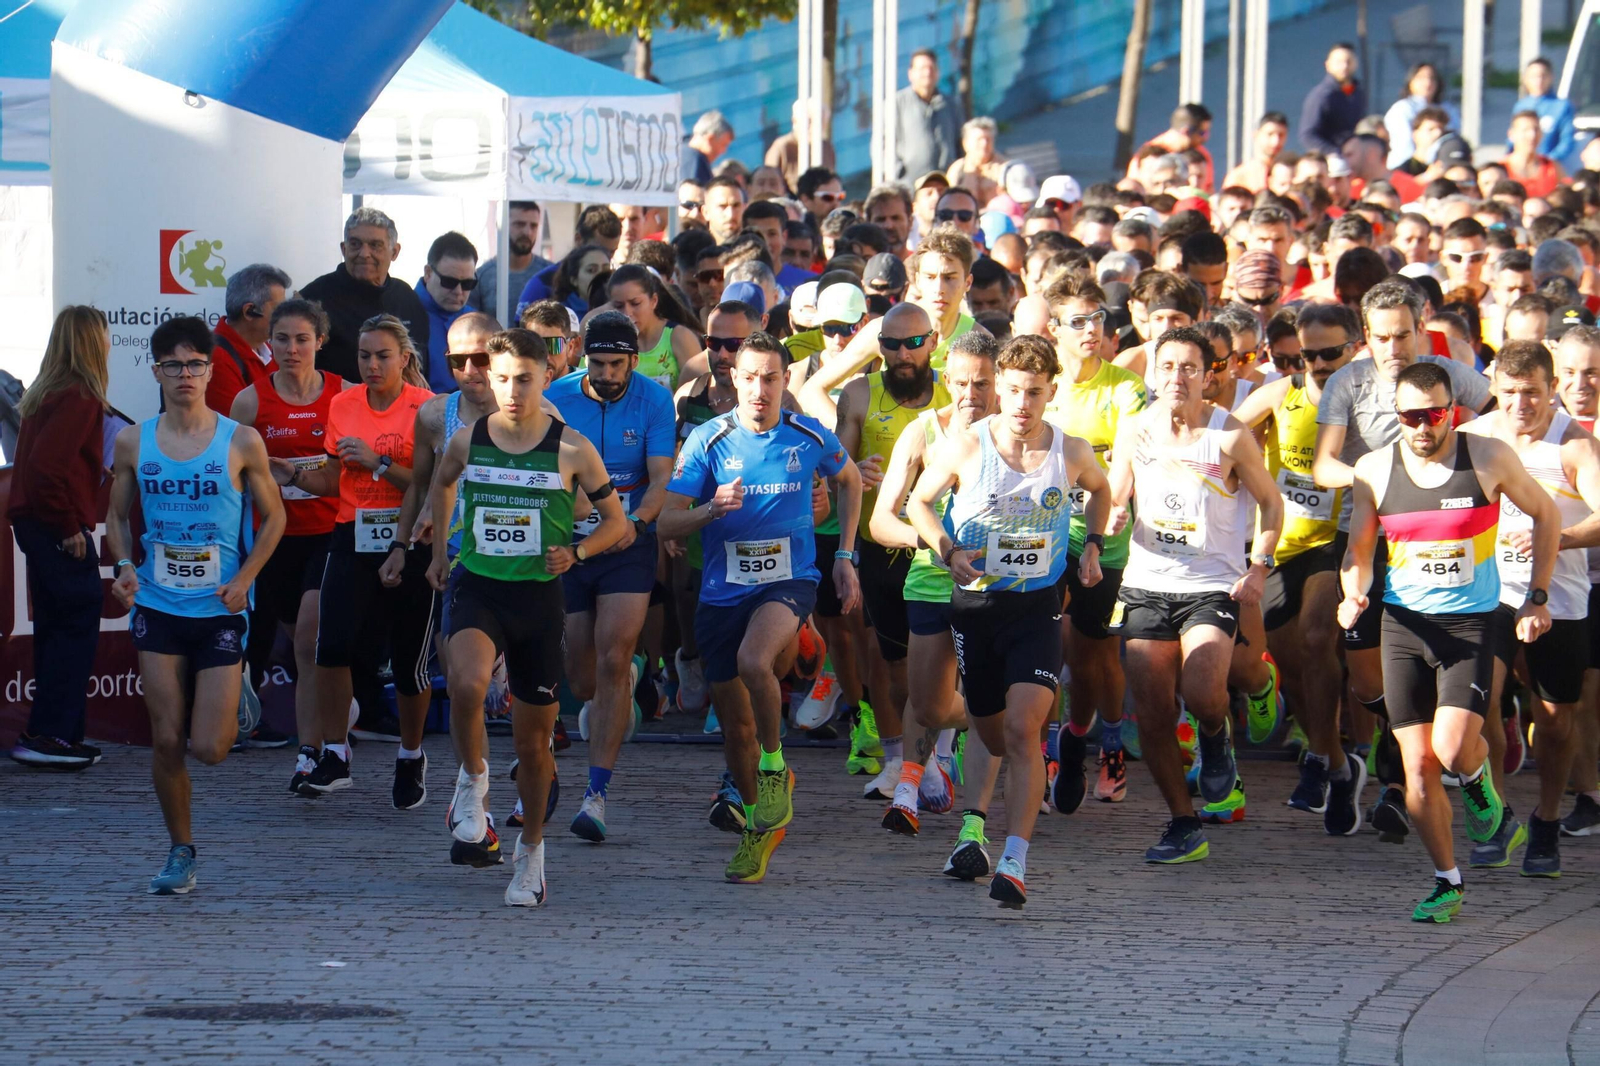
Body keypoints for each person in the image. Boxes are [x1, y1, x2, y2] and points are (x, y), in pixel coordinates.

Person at [1338, 360, 1558, 922]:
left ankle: (1480, 779)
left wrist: (1537, 595)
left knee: (1454, 749)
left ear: (1452, 411)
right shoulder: (1373, 470)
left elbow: (1546, 512)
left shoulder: (1486, 457)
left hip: (1470, 625)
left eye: (1434, 413)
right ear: (1397, 415)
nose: (1422, 426)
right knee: (1416, 767)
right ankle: (1447, 880)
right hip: (1403, 626)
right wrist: (1354, 593)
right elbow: (1359, 552)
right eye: (1411, 415)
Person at [907, 334, 1112, 907]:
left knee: (1023, 728)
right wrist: (949, 552)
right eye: (1014, 391)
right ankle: (972, 827)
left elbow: (1102, 490)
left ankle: (1015, 860)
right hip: (977, 610)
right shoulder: (968, 445)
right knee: (989, 729)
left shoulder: (1069, 450)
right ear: (1001, 386)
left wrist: (1091, 544)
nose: (1022, 405)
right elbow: (918, 503)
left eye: (1035, 393)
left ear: (1052, 392)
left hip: (1038, 606)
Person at [430, 328, 626, 906]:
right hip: (478, 584)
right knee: (465, 683)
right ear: (487, 380)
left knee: (534, 744)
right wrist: (441, 551)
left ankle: (531, 854)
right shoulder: (469, 439)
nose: (512, 391)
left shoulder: (572, 449)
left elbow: (619, 523)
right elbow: (441, 487)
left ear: (546, 377)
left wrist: (579, 552)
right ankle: (473, 783)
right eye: (502, 379)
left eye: (524, 379)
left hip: (538, 600)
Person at [660, 331, 864, 883]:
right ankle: (757, 827)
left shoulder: (807, 435)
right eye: (749, 377)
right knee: (735, 731)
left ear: (785, 381)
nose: (759, 389)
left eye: (771, 378)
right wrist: (709, 510)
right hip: (722, 590)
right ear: (733, 378)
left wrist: (844, 554)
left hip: (790, 580)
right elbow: (665, 522)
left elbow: (849, 481)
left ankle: (776, 767)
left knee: (755, 662)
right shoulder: (708, 439)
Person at [105, 316, 285, 893]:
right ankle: (180, 851)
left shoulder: (241, 440)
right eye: (173, 365)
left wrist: (246, 579)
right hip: (157, 605)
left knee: (209, 748)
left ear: (210, 370)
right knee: (164, 738)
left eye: (195, 364)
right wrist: (125, 566)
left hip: (219, 610)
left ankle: (240, 690)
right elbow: (114, 516)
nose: (185, 375)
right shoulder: (135, 440)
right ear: (156, 370)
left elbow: (275, 516)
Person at [1314, 279, 1494, 840]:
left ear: (1423, 329)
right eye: (1383, 338)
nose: (1395, 348)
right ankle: (1393, 751)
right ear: (1366, 337)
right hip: (1370, 536)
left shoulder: (1453, 376)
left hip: (1444, 536)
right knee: (1366, 674)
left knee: (1431, 681)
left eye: (1405, 335)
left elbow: (1498, 425)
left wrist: (1462, 479)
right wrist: (1386, 482)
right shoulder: (1348, 382)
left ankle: (1412, 777)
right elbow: (1324, 467)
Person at [1108, 326, 1284, 865]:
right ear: (1152, 373)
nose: (1176, 378)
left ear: (1209, 377)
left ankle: (1214, 731)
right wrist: (1106, 525)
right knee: (1155, 712)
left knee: (1204, 688)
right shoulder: (1135, 429)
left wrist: (1260, 566)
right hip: (1146, 581)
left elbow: (1273, 507)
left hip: (1212, 582)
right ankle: (1184, 823)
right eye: (1166, 367)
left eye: (1189, 368)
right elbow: (1116, 494)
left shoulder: (1229, 436)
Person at [800, 301, 953, 798]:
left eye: (914, 343)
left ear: (932, 342)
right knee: (886, 662)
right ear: (878, 346)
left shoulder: (957, 390)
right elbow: (838, 469)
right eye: (891, 344)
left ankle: (940, 754)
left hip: (943, 547)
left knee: (943, 659)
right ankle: (897, 759)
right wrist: (854, 470)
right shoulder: (861, 392)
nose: (903, 354)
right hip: (881, 542)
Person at [1460, 341, 1600, 876]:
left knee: (1557, 723)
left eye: (1534, 394)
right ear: (1496, 387)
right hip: (1485, 594)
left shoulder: (1575, 446)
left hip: (1557, 600)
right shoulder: (1474, 437)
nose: (1522, 405)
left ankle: (1545, 819)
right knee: (1479, 707)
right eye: (1512, 392)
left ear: (1553, 390)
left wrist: (1557, 537)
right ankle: (1496, 817)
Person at [870, 330, 1005, 878]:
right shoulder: (922, 431)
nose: (972, 393)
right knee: (927, 705)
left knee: (981, 695)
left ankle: (972, 821)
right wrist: (936, 544)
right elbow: (881, 521)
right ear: (946, 378)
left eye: (984, 383)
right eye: (963, 382)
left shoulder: (1019, 434)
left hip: (1000, 588)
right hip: (930, 581)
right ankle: (999, 720)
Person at [290, 314, 437, 806]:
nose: (371, 365)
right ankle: (335, 753)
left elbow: (429, 485)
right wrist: (292, 474)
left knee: (408, 665)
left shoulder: (428, 409)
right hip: (351, 533)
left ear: (405, 359)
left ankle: (411, 755)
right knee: (329, 647)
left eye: (382, 356)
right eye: (363, 356)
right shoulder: (343, 404)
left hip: (412, 538)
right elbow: (334, 479)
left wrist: (378, 461)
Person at [1231, 303, 1365, 831]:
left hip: (1340, 541)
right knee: (1294, 668)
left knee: (1316, 640)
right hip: (1281, 545)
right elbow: (1222, 437)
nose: (1317, 364)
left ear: (1356, 346)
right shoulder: (1281, 394)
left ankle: (1351, 752)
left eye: (1330, 353)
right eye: (1307, 355)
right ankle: (1332, 761)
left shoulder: (1370, 399)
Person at [545, 312, 676, 842]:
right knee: (583, 680)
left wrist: (637, 523)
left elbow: (662, 475)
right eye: (595, 363)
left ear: (634, 360)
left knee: (613, 656)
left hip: (627, 543)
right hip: (573, 543)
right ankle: (622, 684)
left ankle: (595, 794)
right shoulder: (557, 395)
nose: (604, 373)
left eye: (615, 364)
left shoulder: (654, 399)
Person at [229, 299, 346, 791]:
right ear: (268, 342)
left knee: (305, 643)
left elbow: (353, 469)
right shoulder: (250, 402)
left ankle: (309, 752)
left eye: (302, 339)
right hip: (274, 538)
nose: (292, 349)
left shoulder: (343, 396)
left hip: (329, 533)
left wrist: (308, 471)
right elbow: (233, 477)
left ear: (320, 340)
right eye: (281, 339)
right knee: (289, 640)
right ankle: (330, 712)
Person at [1040, 276, 1148, 809]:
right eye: (1077, 321)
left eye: (1097, 318)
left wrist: (1115, 506)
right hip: (1040, 534)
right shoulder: (1042, 384)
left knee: (1093, 658)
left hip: (1103, 534)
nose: (1090, 330)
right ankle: (1041, 751)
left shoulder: (1124, 386)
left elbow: (1125, 456)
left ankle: (1095, 741)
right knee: (1037, 641)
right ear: (1053, 328)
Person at [7, 307, 112, 769]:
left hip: (36, 523)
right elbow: (47, 470)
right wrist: (70, 527)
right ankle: (53, 735)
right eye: (106, 335)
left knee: (56, 627)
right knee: (74, 624)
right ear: (93, 341)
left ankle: (53, 734)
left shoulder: (48, 392)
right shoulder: (79, 395)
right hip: (54, 525)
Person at [1553, 327, 1600, 837]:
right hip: (1563, 584)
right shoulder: (1542, 423)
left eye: (1591, 372)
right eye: (1569, 372)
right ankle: (1589, 796)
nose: (1580, 382)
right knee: (1582, 693)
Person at [302, 207, 429, 385]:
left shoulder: (406, 297)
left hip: (402, 408)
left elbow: (422, 362)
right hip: (337, 407)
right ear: (343, 248)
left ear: (394, 252)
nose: (364, 254)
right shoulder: (314, 299)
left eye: (375, 245)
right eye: (355, 244)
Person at [206, 264, 290, 416]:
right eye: (279, 309)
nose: (285, 316)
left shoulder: (270, 350)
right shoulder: (217, 358)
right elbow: (237, 425)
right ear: (249, 312)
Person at [605, 264, 701, 391]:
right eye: (618, 306)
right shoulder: (608, 342)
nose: (627, 313)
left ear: (654, 301)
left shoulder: (679, 337)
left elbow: (698, 394)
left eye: (635, 303)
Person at [416, 232, 481, 392]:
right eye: (449, 282)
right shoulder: (403, 312)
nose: (458, 291)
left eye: (468, 283)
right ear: (428, 273)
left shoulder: (476, 321)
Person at [472, 201, 549, 323]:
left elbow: (562, 331)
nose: (527, 232)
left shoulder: (550, 275)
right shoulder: (480, 277)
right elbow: (472, 329)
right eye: (519, 224)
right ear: (500, 225)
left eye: (533, 226)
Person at [895, 49, 964, 181]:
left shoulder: (950, 103)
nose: (927, 73)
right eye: (922, 69)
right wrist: (899, 171)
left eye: (931, 68)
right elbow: (882, 143)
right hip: (910, 183)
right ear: (911, 74)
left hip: (946, 181)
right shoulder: (897, 103)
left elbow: (960, 139)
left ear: (938, 73)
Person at [1384, 63, 1458, 170]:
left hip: (1441, 166)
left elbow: (1453, 136)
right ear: (1410, 81)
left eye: (1432, 78)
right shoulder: (1403, 108)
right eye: (1421, 78)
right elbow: (1404, 144)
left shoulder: (1448, 109)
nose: (1427, 82)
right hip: (1407, 167)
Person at [1511, 58, 1580, 172]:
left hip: (1550, 169)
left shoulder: (1562, 106)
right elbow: (1512, 141)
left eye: (1543, 76)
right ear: (1525, 79)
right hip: (1522, 168)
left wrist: (1548, 162)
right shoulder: (1520, 106)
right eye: (1534, 77)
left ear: (1551, 77)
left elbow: (1567, 141)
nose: (1539, 81)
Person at [1129, 104, 1216, 193]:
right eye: (1202, 133)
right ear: (1185, 131)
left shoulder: (1202, 154)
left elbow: (1208, 189)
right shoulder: (1148, 156)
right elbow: (1133, 189)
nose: (1206, 138)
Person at [1300, 44, 1367, 156]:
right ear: (1327, 65)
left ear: (1356, 64)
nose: (1344, 66)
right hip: (1331, 162)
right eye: (1339, 62)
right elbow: (1308, 135)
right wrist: (1334, 154)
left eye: (1348, 61)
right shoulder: (1321, 96)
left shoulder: (1358, 93)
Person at [766, 100, 836, 192]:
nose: (816, 127)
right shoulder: (782, 148)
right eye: (810, 121)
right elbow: (769, 183)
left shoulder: (826, 147)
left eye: (821, 122)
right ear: (795, 121)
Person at [1503, 110, 1566, 201]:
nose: (1532, 135)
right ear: (1511, 134)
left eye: (1536, 129)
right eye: (1525, 130)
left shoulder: (1552, 167)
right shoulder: (1502, 169)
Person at [946, 118, 1008, 208]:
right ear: (965, 143)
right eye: (979, 139)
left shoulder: (1006, 168)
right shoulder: (957, 169)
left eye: (988, 139)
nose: (984, 144)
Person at [683, 110, 734, 186]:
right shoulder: (696, 161)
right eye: (724, 145)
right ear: (710, 139)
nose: (724, 151)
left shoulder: (678, 149)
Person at [705, 176, 747, 245]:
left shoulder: (759, 251)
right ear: (706, 212)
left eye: (736, 205)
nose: (730, 215)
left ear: (744, 208)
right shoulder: (694, 251)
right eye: (722, 206)